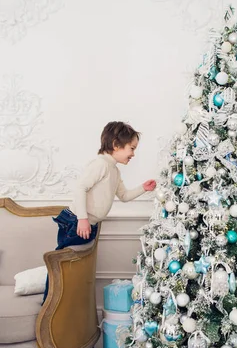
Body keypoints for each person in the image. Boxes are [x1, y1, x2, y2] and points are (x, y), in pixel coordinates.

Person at [42, 121, 156, 302]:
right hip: (76, 222)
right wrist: (82, 219)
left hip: (87, 223)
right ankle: (49, 302)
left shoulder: (115, 171)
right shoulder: (100, 164)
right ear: (116, 145)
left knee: (74, 268)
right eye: (131, 148)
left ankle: (62, 304)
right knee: (62, 265)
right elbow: (80, 188)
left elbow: (124, 196)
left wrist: (143, 188)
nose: (133, 154)